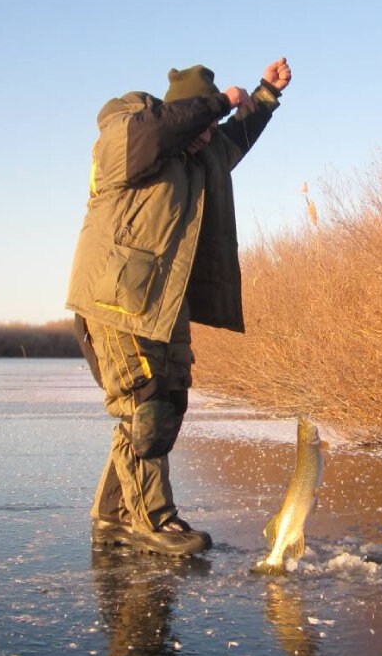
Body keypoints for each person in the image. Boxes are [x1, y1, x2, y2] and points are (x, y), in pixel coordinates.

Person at [66, 57, 292, 556]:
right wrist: (215, 104)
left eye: (212, 131)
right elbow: (151, 134)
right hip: (116, 301)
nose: (209, 137)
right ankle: (154, 520)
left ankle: (113, 513)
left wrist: (263, 96)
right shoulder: (129, 139)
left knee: (165, 405)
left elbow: (235, 138)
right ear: (183, 113)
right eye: (202, 125)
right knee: (146, 407)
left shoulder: (198, 157)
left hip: (165, 305)